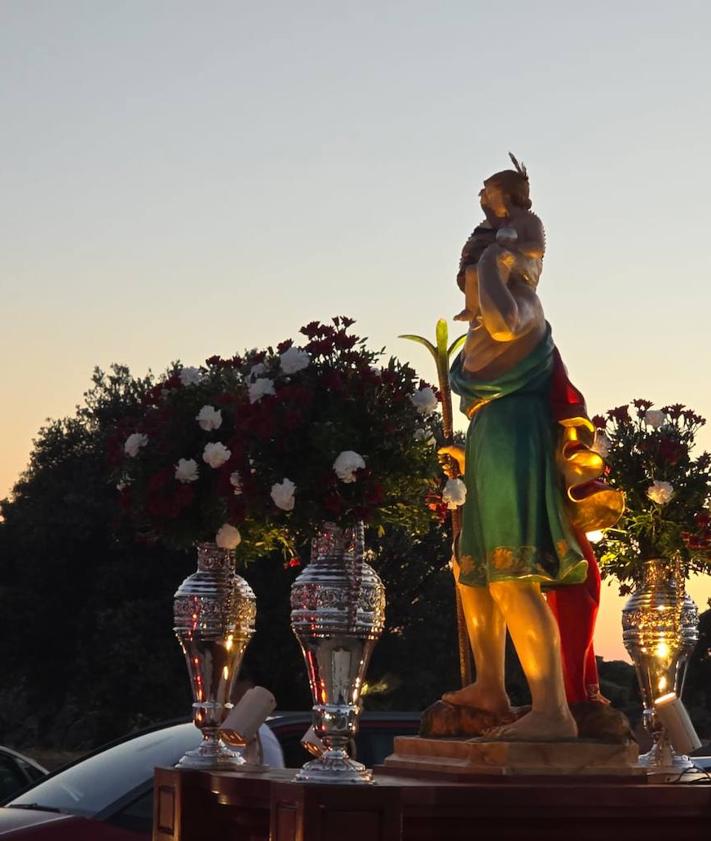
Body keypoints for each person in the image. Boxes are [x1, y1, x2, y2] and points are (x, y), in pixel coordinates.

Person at [439, 157, 622, 740]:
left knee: (511, 571)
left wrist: (492, 265)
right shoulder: (482, 319)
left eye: (471, 279)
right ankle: (490, 684)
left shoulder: (519, 305)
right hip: (488, 432)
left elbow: (503, 324)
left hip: (514, 435)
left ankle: (551, 712)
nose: (469, 290)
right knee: (473, 572)